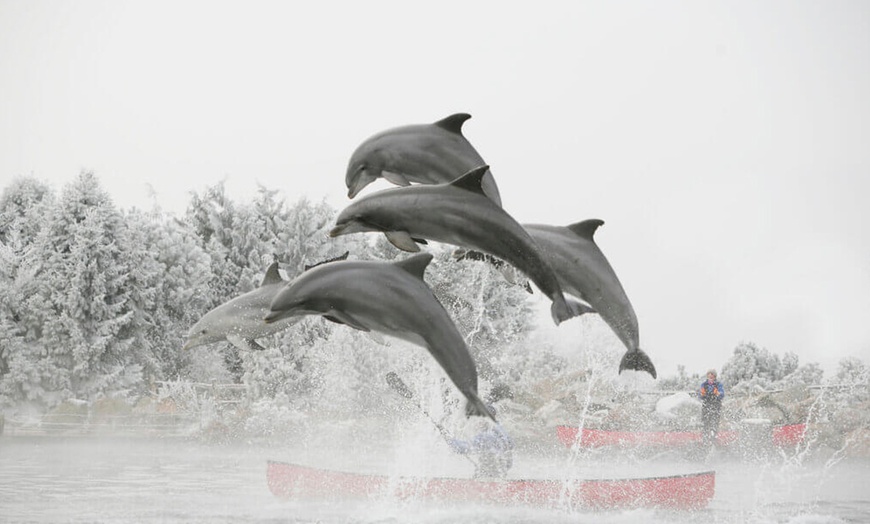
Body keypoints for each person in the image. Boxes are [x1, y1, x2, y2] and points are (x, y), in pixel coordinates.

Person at [447, 404, 514, 479]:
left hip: (490, 475)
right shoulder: (502, 432)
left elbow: (464, 448)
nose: (478, 422)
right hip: (502, 473)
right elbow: (510, 447)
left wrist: (450, 440)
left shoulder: (486, 437)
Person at [699, 369, 725, 449]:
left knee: (715, 422)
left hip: (715, 406)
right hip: (706, 406)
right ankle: (705, 439)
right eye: (709, 374)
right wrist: (704, 395)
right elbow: (700, 395)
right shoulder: (704, 384)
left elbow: (721, 394)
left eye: (712, 375)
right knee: (706, 423)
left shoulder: (718, 384)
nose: (710, 376)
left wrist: (716, 394)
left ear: (715, 376)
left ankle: (714, 438)